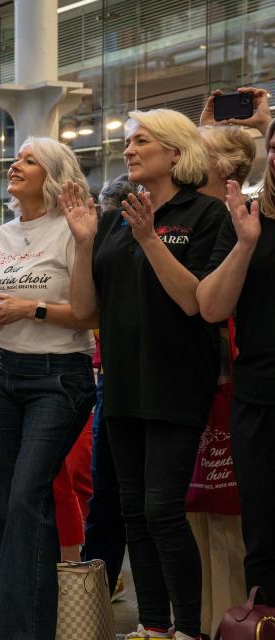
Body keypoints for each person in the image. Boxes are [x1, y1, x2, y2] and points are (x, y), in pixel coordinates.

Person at [64, 108, 227, 640]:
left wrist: (151, 239)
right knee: (133, 511)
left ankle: (188, 627)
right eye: (128, 143)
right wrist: (85, 242)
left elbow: (196, 303)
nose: (129, 150)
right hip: (122, 381)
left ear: (175, 154)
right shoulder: (114, 219)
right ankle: (153, 623)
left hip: (178, 380)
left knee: (162, 511)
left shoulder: (206, 216)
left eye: (142, 142)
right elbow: (88, 310)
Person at [0, 137, 97, 640]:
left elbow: (90, 315)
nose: (14, 164)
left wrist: (30, 308)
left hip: (59, 376)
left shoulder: (74, 230)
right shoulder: (3, 235)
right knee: (5, 503)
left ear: (52, 175)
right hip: (3, 370)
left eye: (28, 160)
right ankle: (29, 622)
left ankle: (17, 631)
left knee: (28, 496)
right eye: (16, 157)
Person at [196, 117, 275, 612]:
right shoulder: (243, 218)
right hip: (261, 394)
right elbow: (210, 306)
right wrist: (245, 243)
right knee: (264, 535)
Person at [186, 122, 256, 635]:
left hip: (231, 378)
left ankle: (233, 621)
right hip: (187, 380)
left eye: (200, 147)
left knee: (227, 510)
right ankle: (204, 620)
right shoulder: (188, 215)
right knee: (194, 509)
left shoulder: (243, 218)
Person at [81, 174, 136, 602]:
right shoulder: (97, 241)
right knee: (107, 491)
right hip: (108, 376)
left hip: (136, 374)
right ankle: (94, 589)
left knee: (131, 497)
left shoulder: (127, 239)